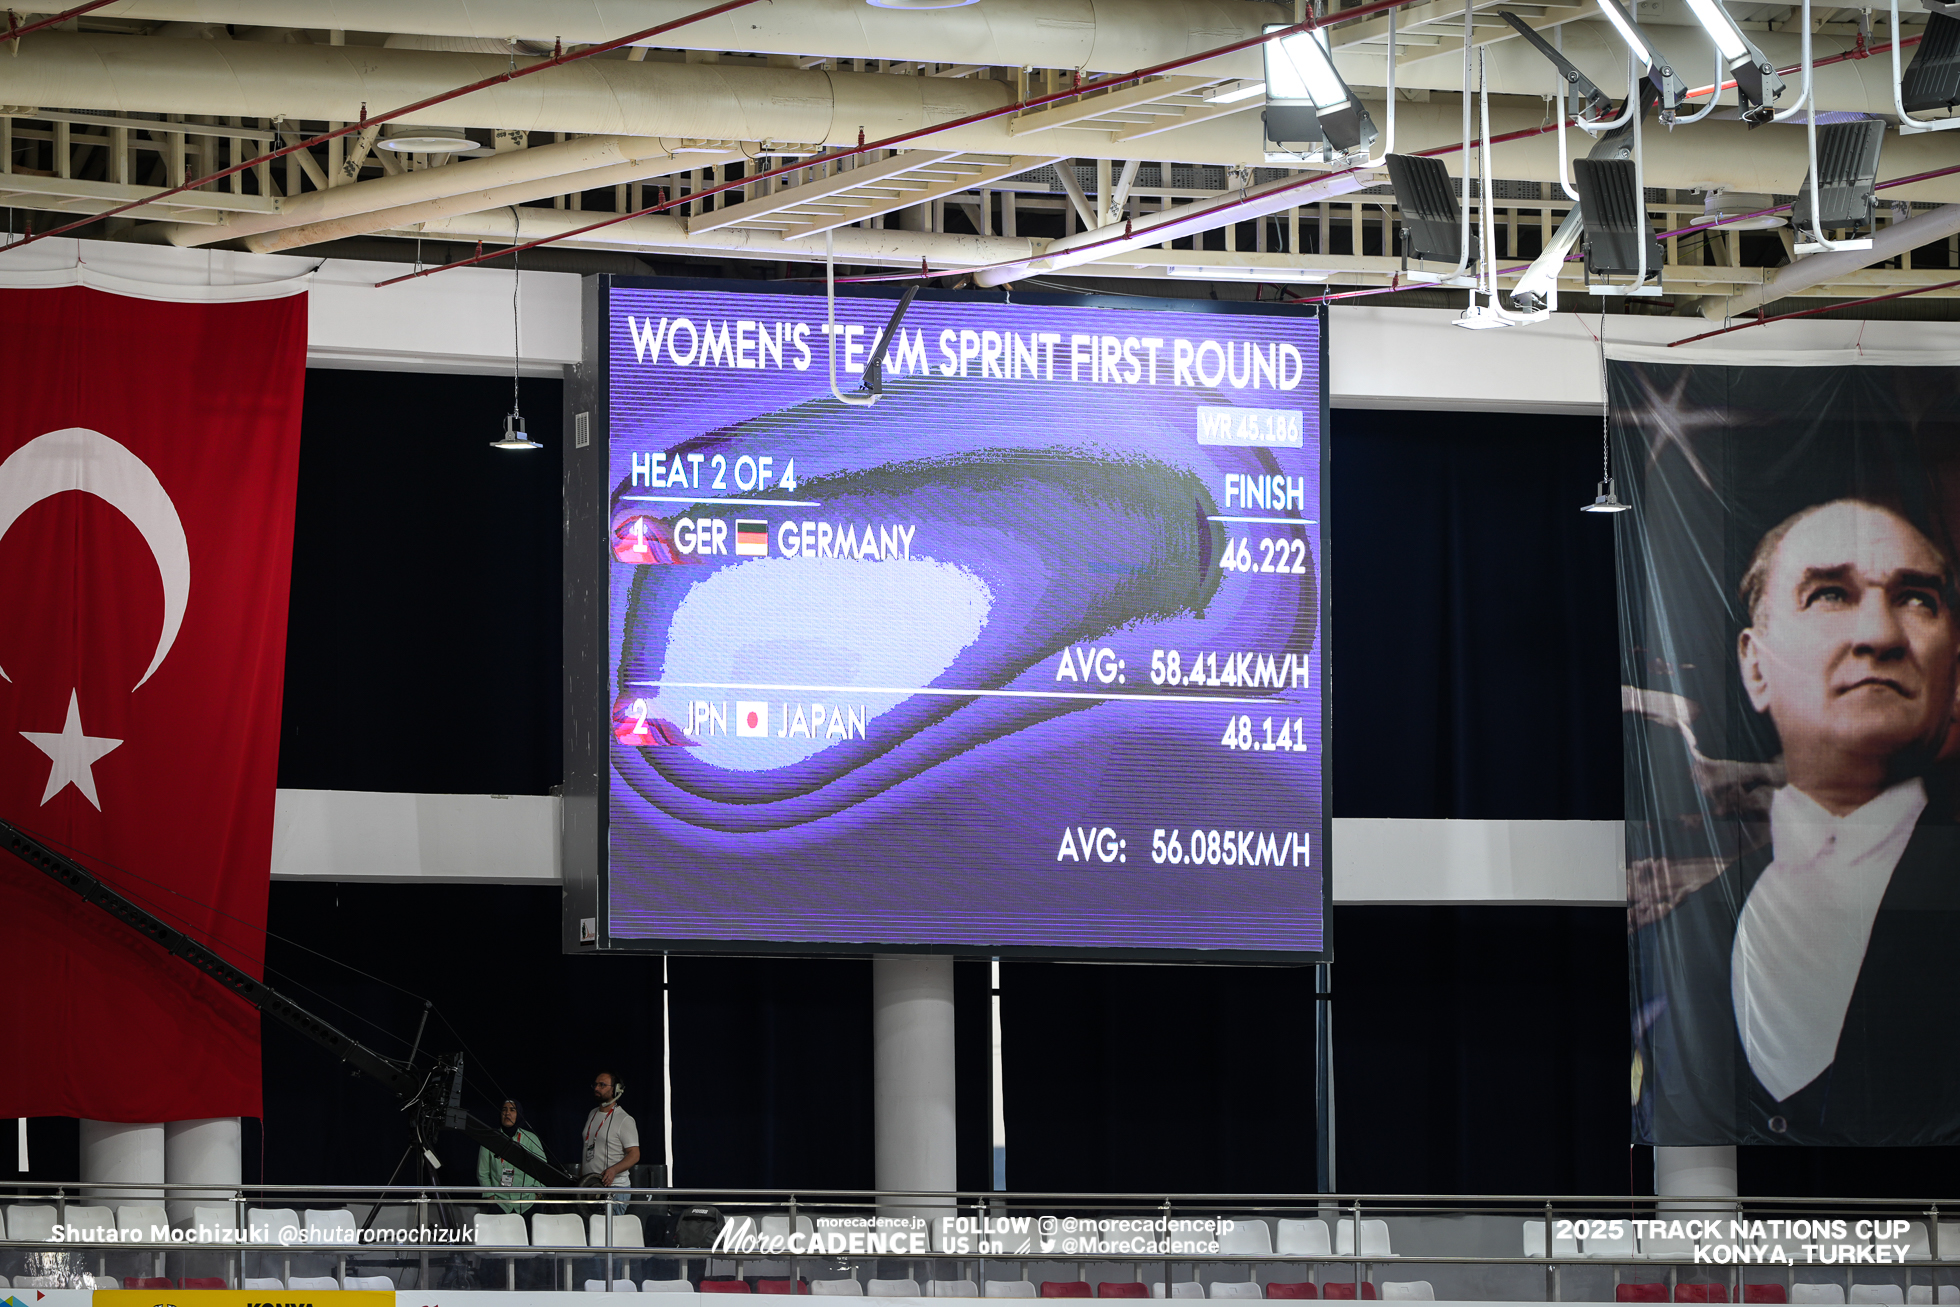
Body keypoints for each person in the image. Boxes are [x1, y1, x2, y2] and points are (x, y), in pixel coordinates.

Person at [1635, 498, 1960, 1144]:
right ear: (1755, 665)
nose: (1880, 634)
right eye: (1831, 593)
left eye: (1918, 598)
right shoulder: (1683, 925)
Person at [582, 1070, 641, 1213]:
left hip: (614, 1189)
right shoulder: (593, 1113)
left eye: (602, 1085)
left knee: (606, 1234)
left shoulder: (624, 1119)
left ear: (617, 1090)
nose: (597, 1088)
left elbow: (634, 1154)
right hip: (590, 1188)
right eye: (595, 1085)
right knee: (592, 1234)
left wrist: (614, 1170)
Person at [477, 1099, 547, 1214]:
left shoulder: (530, 1139)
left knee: (529, 1232)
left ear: (519, 1114)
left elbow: (542, 1169)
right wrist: (490, 1196)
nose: (507, 1113)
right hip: (499, 1203)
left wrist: (538, 1194)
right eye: (504, 1110)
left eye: (512, 1110)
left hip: (528, 1203)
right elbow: (483, 1172)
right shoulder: (490, 1139)